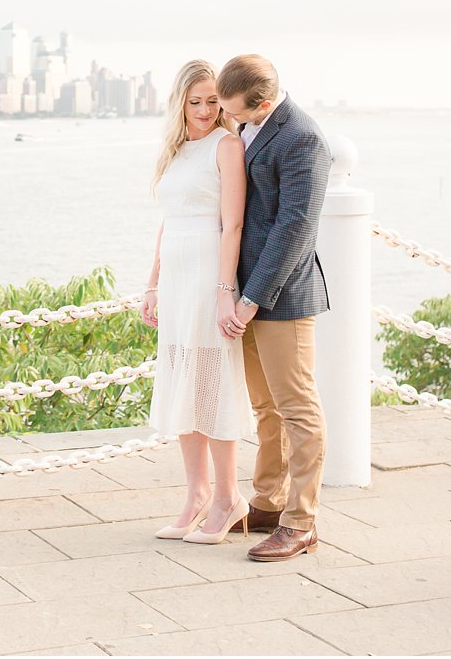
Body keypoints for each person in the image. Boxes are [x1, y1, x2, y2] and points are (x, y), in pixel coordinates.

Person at [215, 53, 331, 562]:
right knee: (265, 408)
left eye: (237, 112)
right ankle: (268, 501)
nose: (230, 118)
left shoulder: (303, 138)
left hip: (282, 295)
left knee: (297, 408)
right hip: (248, 295)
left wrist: (250, 299)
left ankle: (302, 522)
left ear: (262, 102)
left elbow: (293, 232)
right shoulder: (252, 122)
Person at [141, 59, 253, 545]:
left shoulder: (226, 147)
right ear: (180, 102)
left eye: (213, 101)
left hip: (210, 273)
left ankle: (230, 497)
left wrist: (225, 291)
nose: (206, 110)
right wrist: (151, 284)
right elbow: (169, 220)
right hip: (176, 276)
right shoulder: (174, 150)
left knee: (213, 383)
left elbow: (233, 224)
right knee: (184, 380)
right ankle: (196, 494)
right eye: (196, 101)